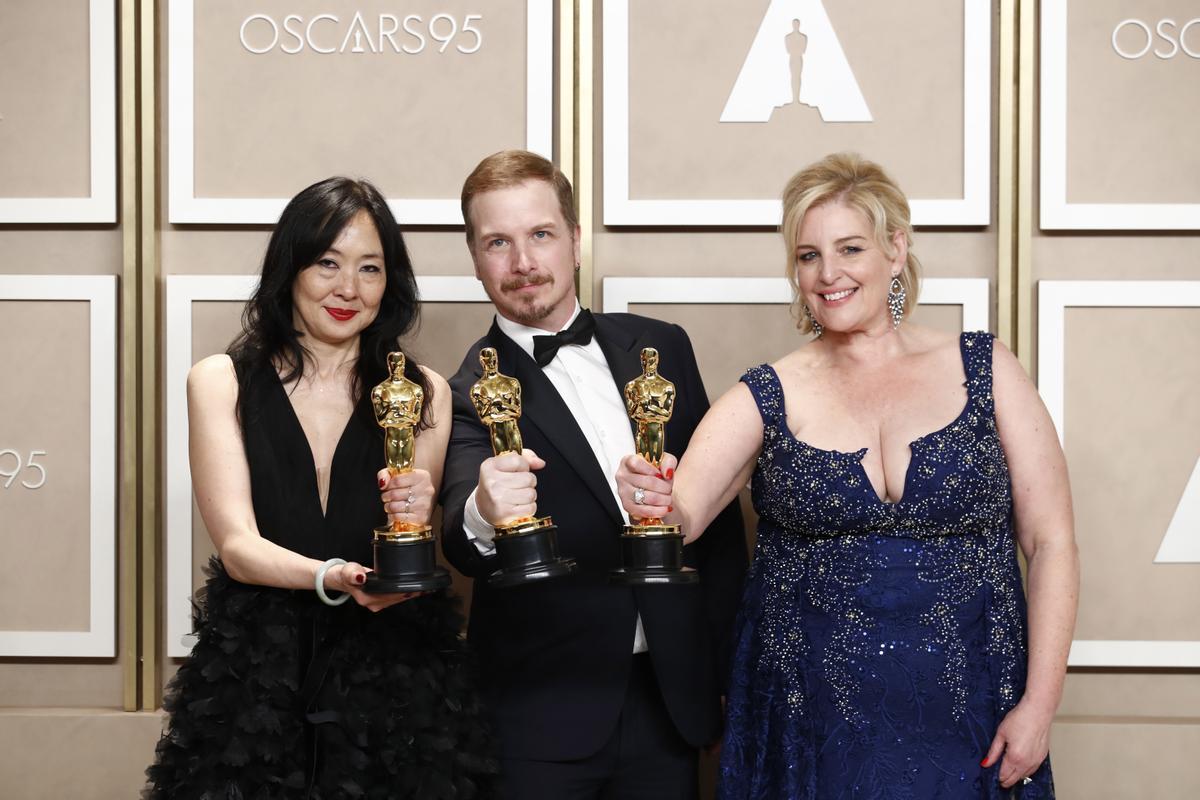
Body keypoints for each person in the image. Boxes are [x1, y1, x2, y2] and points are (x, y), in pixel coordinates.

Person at [616, 153, 1079, 798]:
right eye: (808, 256)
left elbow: (1052, 541)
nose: (828, 274)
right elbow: (679, 514)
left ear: (896, 249)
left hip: (976, 709)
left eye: (849, 248)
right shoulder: (768, 390)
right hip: (809, 724)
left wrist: (1040, 706)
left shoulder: (986, 367)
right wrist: (651, 494)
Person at [145, 177, 495, 799]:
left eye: (370, 268)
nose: (348, 290)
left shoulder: (426, 392)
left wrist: (413, 514)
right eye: (327, 263)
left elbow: (411, 545)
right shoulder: (220, 381)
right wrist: (331, 576)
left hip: (396, 671)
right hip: (257, 671)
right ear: (291, 268)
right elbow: (236, 545)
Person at [439, 150, 749, 799]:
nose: (523, 262)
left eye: (541, 235)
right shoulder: (463, 391)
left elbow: (716, 536)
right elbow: (461, 544)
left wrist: (725, 675)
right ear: (475, 259)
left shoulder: (661, 346)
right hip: (540, 723)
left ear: (576, 241)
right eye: (499, 242)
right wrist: (484, 511)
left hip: (671, 706)